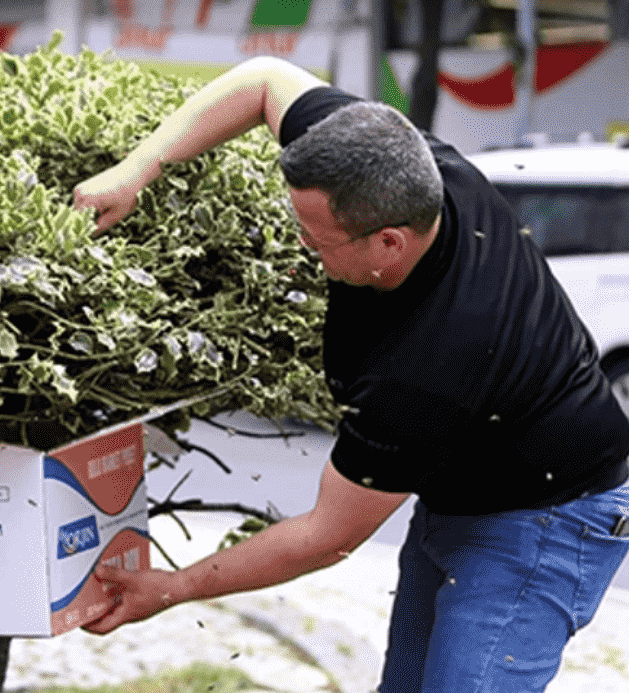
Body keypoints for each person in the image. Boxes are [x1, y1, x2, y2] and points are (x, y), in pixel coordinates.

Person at [74, 56, 629, 693]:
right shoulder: (407, 165)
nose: (302, 243)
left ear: (388, 241)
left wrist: (173, 587)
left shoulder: (428, 367)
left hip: (547, 524)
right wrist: (137, 168)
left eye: (314, 237)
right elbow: (264, 79)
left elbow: (326, 536)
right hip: (464, 492)